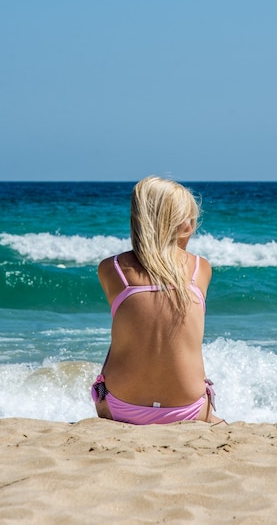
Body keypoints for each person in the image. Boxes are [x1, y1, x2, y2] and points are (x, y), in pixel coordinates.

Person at [91, 176, 223, 425]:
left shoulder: (113, 269)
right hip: (190, 410)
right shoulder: (200, 269)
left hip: (119, 406)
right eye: (191, 220)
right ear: (183, 224)